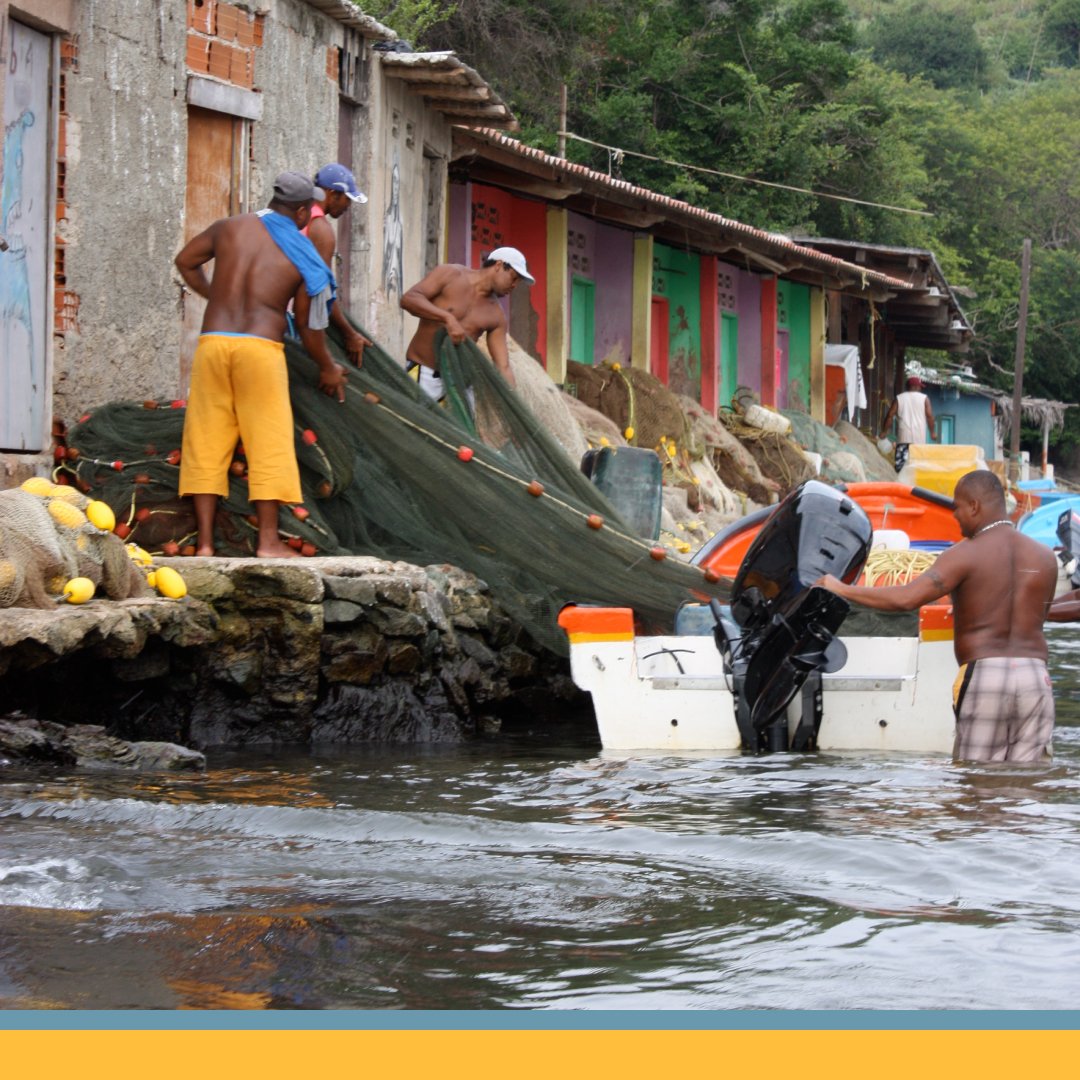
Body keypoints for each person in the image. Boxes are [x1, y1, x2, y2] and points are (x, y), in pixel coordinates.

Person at [816, 470, 1059, 762]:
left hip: (985, 675)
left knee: (975, 782)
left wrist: (841, 588)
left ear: (975, 506)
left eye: (957, 506)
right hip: (1036, 677)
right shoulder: (1045, 558)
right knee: (1028, 786)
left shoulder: (964, 554)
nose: (954, 515)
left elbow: (906, 598)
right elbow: (1037, 616)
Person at [174, 171, 348, 559]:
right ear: (302, 212)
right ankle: (268, 542)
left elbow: (185, 261)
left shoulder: (228, 227)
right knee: (268, 441)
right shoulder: (301, 252)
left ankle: (204, 545)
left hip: (213, 343)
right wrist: (327, 366)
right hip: (260, 349)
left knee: (205, 438)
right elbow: (306, 326)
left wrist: (211, 293)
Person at [399, 246, 534, 398]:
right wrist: (447, 318)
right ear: (498, 266)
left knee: (466, 421)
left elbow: (503, 366)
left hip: (459, 387)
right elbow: (408, 299)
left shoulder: (496, 315)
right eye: (514, 278)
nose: (514, 285)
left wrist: (514, 401)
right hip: (423, 376)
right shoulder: (450, 274)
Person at [304, 163, 371, 366]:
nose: (348, 207)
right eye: (347, 199)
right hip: (294, 323)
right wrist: (349, 333)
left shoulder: (297, 215)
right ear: (333, 194)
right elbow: (321, 294)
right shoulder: (321, 230)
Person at [880, 375, 935, 473]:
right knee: (918, 468)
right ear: (916, 387)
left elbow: (890, 415)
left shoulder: (899, 398)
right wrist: (932, 432)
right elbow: (929, 416)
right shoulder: (924, 398)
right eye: (920, 387)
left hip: (903, 438)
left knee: (901, 469)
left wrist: (884, 431)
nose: (920, 389)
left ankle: (902, 486)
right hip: (919, 439)